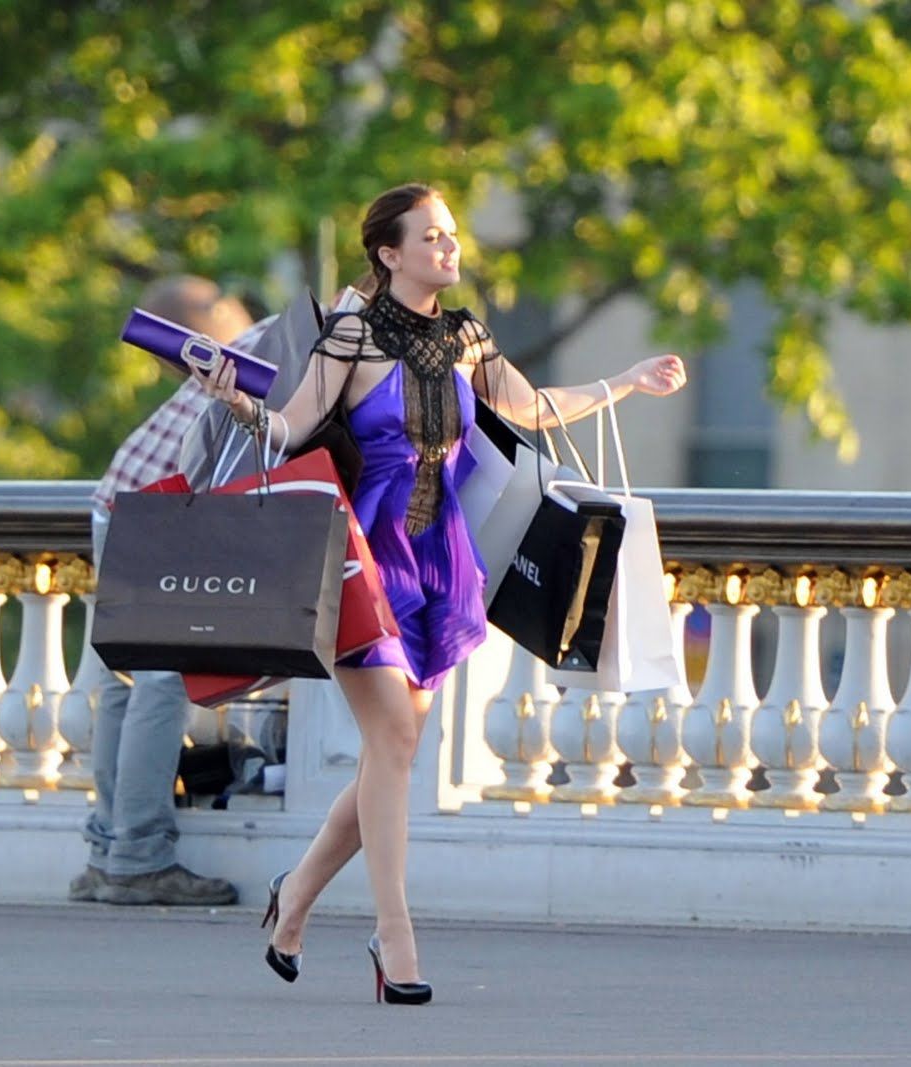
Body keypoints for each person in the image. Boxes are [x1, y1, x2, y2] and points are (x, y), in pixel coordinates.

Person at [192, 183, 688, 1003]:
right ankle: (396, 939)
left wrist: (625, 382)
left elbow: (530, 409)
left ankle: (294, 898)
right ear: (390, 253)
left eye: (452, 234)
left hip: (443, 560)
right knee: (390, 742)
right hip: (364, 558)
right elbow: (290, 427)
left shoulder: (465, 338)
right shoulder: (349, 335)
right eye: (432, 236)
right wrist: (234, 396)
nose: (450, 248)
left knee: (395, 752)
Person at [70, 275, 257, 908]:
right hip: (166, 512)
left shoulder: (267, 339)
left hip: (121, 501)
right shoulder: (299, 350)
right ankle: (139, 858)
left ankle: (105, 852)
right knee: (159, 682)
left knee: (121, 683)